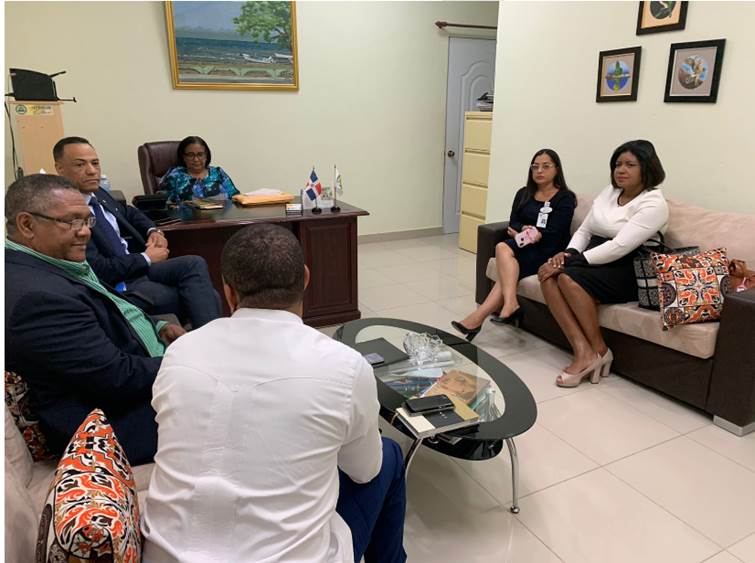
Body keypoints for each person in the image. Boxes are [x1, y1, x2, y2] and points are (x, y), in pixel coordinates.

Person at [142, 223, 407, 563]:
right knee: (388, 455)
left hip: (166, 554)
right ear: (306, 279)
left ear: (228, 291)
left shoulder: (180, 352)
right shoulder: (345, 366)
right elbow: (365, 471)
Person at [5, 174, 185, 464]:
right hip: (112, 427)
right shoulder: (37, 298)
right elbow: (118, 378)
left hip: (139, 375)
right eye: (72, 222)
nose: (85, 232)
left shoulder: (50, 263)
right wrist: (188, 359)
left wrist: (157, 326)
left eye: (87, 221)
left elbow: (111, 305)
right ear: (27, 225)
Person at [538, 140, 669, 387]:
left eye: (630, 165)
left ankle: (599, 349)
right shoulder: (610, 192)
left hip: (628, 267)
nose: (621, 170)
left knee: (566, 277)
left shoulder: (654, 203)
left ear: (647, 168)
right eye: (618, 164)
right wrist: (568, 253)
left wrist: (569, 263)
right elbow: (585, 229)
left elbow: (619, 246)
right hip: (595, 256)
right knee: (547, 274)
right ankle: (583, 351)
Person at [53, 136, 221, 328]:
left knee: (194, 263)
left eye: (95, 163)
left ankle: (205, 339)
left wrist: (153, 231)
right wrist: (146, 258)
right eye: (80, 164)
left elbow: (130, 212)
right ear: (60, 168)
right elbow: (98, 269)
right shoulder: (66, 212)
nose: (92, 171)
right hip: (119, 284)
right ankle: (209, 341)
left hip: (136, 267)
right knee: (210, 297)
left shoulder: (97, 193)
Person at [452, 149, 576, 341]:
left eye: (545, 166)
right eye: (535, 167)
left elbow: (555, 232)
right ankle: (504, 307)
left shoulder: (565, 197)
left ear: (556, 169)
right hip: (524, 244)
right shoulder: (524, 193)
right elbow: (514, 222)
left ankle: (483, 316)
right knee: (504, 255)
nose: (539, 171)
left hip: (548, 250)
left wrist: (532, 234)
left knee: (502, 249)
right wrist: (523, 230)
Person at [158, 135, 239, 203]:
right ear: (183, 157)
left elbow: (235, 196)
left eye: (200, 154)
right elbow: (163, 202)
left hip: (220, 216)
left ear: (206, 156)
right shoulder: (175, 175)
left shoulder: (218, 173)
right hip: (187, 217)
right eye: (190, 155)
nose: (196, 159)